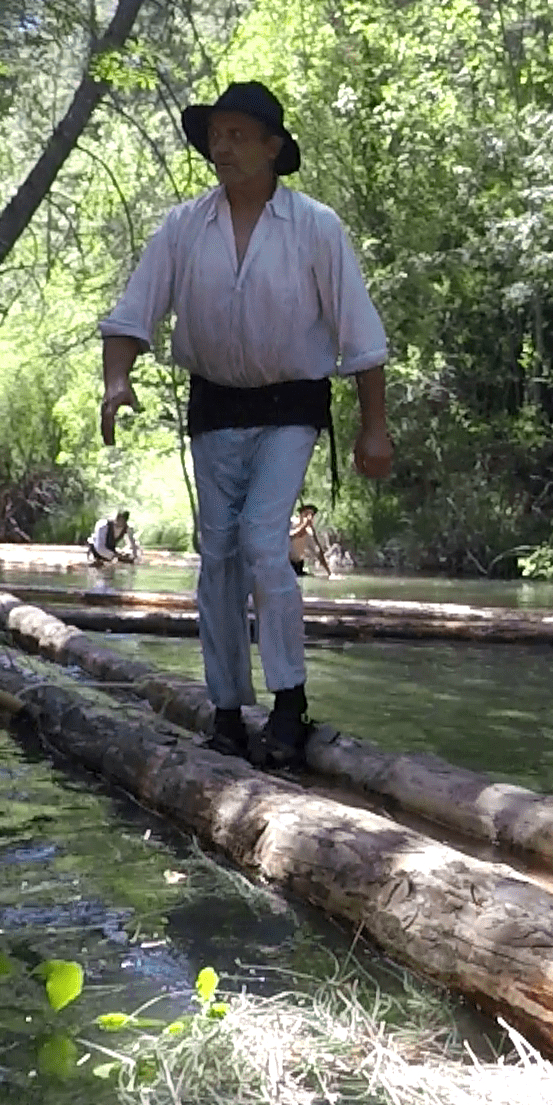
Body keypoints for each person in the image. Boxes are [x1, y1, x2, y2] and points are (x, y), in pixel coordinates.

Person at [98, 81, 394, 771]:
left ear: (273, 148)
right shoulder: (181, 228)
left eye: (237, 135)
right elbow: (131, 314)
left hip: (292, 401)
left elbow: (362, 335)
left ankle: (289, 705)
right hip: (215, 406)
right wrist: (118, 382)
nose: (221, 146)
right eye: (215, 135)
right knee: (220, 556)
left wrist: (372, 429)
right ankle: (227, 711)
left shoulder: (315, 226)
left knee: (266, 542)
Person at [289, 502, 331, 578]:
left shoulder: (308, 533)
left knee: (311, 577)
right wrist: (304, 525)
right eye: (307, 515)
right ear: (300, 514)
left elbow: (318, 552)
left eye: (312, 515)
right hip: (287, 565)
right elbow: (292, 536)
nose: (309, 518)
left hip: (298, 566)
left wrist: (329, 573)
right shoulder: (290, 523)